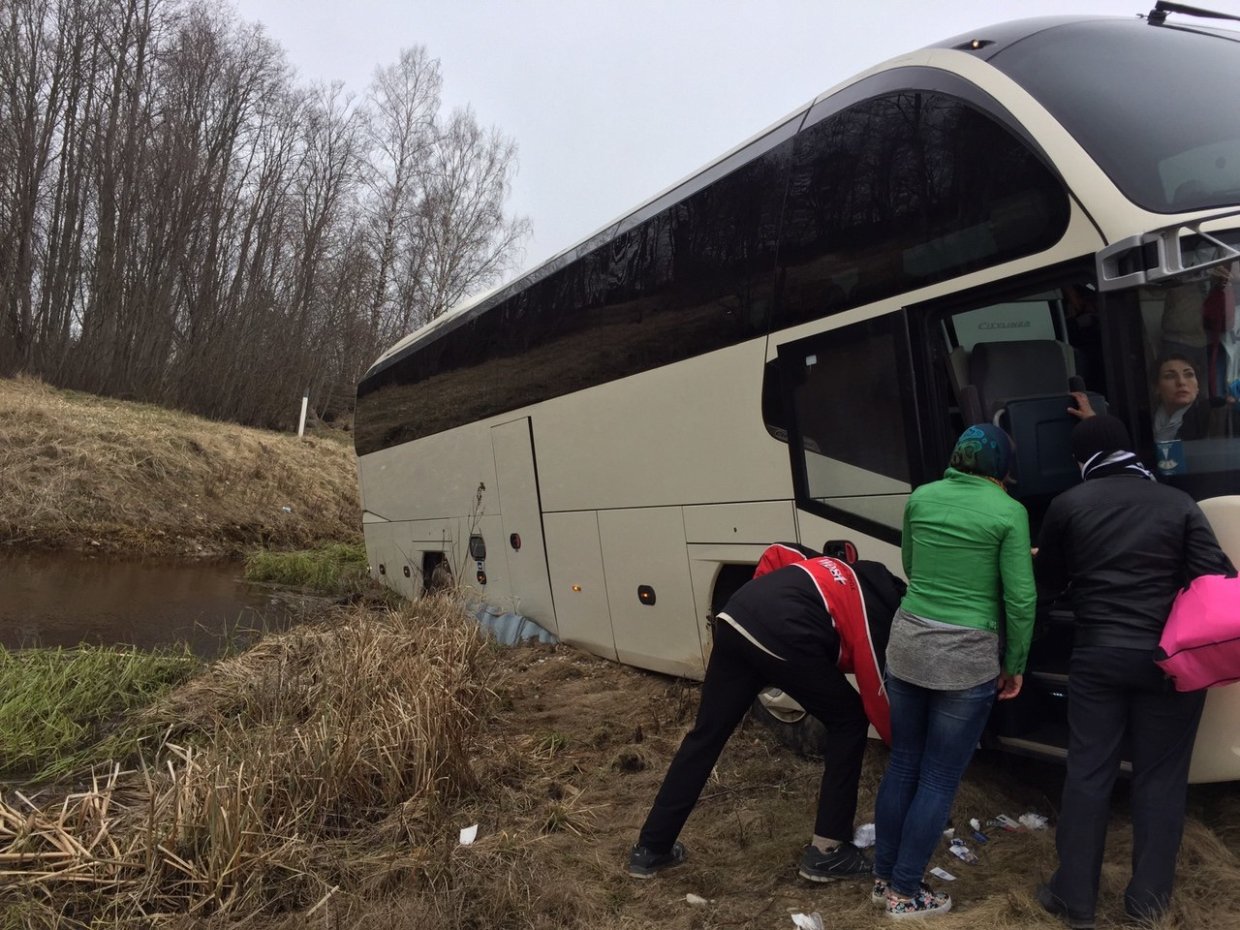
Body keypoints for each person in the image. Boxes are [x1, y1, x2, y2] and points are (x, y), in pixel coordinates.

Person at [1033, 415, 1234, 929]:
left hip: (1098, 657)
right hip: (1168, 662)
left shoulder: (1068, 505)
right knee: (1161, 781)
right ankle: (1146, 904)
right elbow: (1219, 579)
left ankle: (1074, 900)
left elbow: (1048, 583)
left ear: (1083, 460)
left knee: (1088, 773)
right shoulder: (1177, 503)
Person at [627, 548, 906, 882]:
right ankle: (828, 852)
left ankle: (651, 848)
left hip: (736, 616)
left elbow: (777, 553)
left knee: (707, 734)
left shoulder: (831, 567)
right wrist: (909, 748)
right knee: (849, 721)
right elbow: (878, 694)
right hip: (783, 630)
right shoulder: (875, 608)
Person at [872, 424, 1036, 919]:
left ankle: (883, 879)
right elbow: (1020, 599)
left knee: (903, 763)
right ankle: (906, 893)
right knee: (940, 777)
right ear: (1003, 466)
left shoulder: (922, 497)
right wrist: (1015, 664)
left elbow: (911, 562)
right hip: (965, 656)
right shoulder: (1010, 512)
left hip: (907, 643)